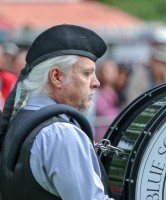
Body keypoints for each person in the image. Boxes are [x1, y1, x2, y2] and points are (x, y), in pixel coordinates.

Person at [0, 24, 114, 200]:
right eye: (87, 73)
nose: (96, 82)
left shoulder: (20, 119)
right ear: (57, 77)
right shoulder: (61, 134)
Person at [94, 60, 120, 143]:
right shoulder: (98, 94)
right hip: (102, 137)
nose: (111, 74)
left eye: (113, 70)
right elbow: (104, 112)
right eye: (107, 71)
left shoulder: (116, 92)